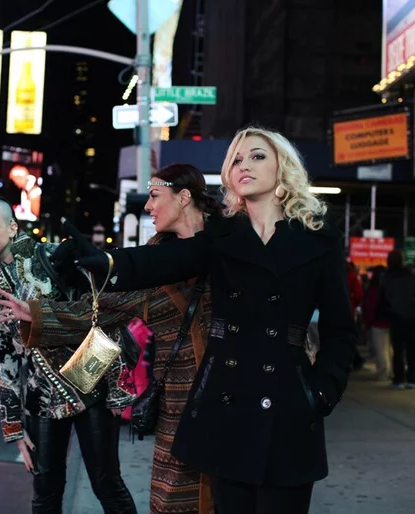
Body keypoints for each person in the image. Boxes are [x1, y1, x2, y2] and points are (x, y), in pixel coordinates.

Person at [55, 126, 358, 514]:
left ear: (283, 166)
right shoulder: (223, 235)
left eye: (257, 156)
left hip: (289, 408)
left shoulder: (317, 237)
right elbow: (162, 261)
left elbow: (340, 330)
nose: (244, 165)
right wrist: (105, 262)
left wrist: (322, 393)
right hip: (227, 407)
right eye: (236, 159)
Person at [0, 163, 221, 514]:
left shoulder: (229, 242)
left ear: (184, 197)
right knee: (174, 498)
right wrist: (36, 314)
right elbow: (105, 307)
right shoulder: (150, 260)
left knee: (231, 493)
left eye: (154, 196)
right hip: (178, 397)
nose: (148, 206)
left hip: (230, 391)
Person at [0, 194, 137, 514]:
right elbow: (6, 358)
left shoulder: (53, 257)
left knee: (107, 486)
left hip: (90, 385)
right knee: (45, 494)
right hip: (41, 399)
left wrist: (115, 387)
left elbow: (101, 315)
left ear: (13, 228)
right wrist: (13, 427)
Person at [381, 250, 415, 390]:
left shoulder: (386, 276)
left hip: (395, 316)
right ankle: (411, 378)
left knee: (398, 349)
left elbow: (383, 297)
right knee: (411, 349)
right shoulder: (410, 275)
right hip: (411, 316)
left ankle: (398, 379)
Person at [362, 265, 391, 381]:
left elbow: (369, 307)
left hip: (377, 322)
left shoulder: (373, 290)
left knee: (380, 350)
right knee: (388, 349)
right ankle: (389, 371)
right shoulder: (389, 287)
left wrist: (368, 322)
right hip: (390, 321)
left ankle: (383, 372)